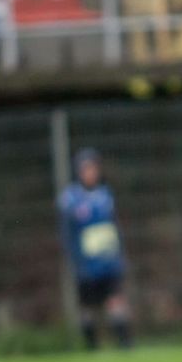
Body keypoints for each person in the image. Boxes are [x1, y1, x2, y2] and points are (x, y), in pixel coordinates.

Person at [57, 148, 133, 350]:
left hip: (109, 261)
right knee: (87, 307)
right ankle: (92, 347)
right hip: (86, 264)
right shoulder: (70, 199)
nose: (91, 173)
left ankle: (126, 345)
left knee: (116, 301)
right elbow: (67, 233)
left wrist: (120, 253)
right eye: (86, 169)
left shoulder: (106, 195)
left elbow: (115, 226)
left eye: (94, 168)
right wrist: (75, 260)